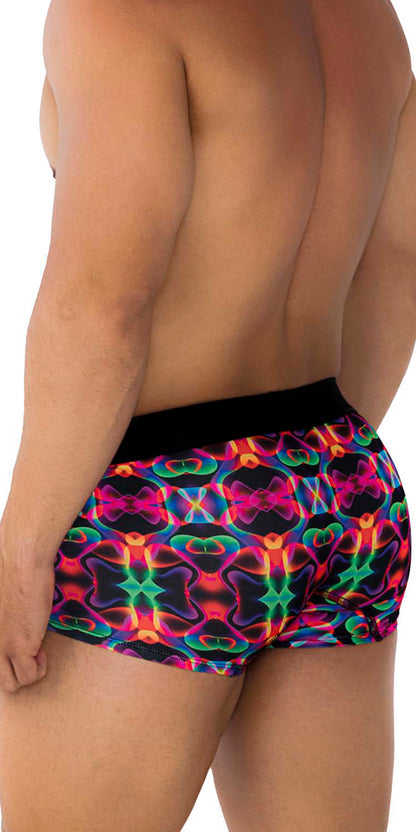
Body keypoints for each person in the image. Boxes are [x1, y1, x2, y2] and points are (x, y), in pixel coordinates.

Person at [0, 0, 414, 829]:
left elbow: (104, 304)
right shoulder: (369, 21)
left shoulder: (121, 12)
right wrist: (294, 483)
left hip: (167, 513)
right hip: (344, 481)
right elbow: (400, 261)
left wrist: (23, 548)